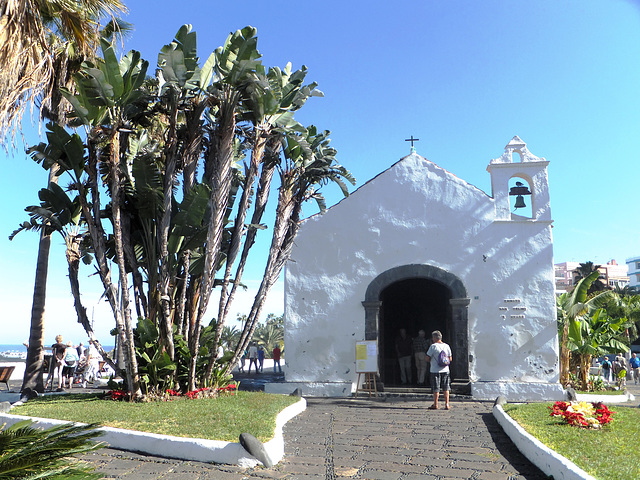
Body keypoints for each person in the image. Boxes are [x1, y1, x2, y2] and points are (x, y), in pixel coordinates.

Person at [426, 330, 452, 410]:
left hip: (435, 370)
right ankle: (447, 404)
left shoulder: (433, 346)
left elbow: (427, 358)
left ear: (434, 337)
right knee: (446, 387)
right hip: (445, 370)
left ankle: (435, 404)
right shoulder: (447, 346)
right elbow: (450, 358)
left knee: (436, 388)